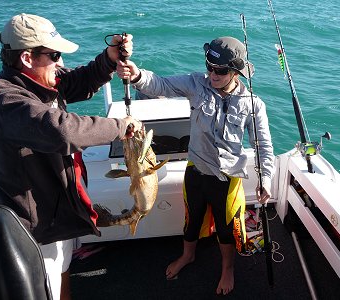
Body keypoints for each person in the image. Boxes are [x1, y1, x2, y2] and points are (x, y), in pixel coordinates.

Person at [0, 13, 141, 300]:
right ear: (26, 59)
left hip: (58, 212)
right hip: (33, 229)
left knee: (62, 274)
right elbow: (63, 132)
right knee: (45, 289)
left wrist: (108, 59)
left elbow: (77, 81)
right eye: (54, 55)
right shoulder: (5, 101)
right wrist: (121, 127)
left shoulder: (41, 83)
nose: (59, 62)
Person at [117, 36, 275, 295]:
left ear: (236, 72)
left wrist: (265, 179)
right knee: (191, 221)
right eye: (209, 67)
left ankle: (227, 268)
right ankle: (187, 256)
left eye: (221, 70)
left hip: (227, 178)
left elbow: (264, 147)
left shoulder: (254, 105)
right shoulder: (196, 83)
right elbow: (161, 85)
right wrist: (136, 76)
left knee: (226, 230)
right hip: (196, 170)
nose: (212, 74)